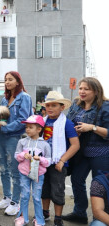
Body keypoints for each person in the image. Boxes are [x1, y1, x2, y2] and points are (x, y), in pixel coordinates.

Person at [62, 77, 109, 224]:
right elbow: (68, 123)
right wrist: (74, 131)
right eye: (81, 88)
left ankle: (100, 217)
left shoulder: (105, 107)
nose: (82, 91)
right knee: (76, 179)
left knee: (99, 184)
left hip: (101, 153)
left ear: (96, 91)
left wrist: (92, 128)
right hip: (81, 152)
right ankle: (80, 213)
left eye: (86, 89)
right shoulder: (76, 105)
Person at [0, 71, 33, 216]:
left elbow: (24, 120)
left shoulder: (24, 97)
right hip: (1, 137)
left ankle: (15, 202)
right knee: (3, 168)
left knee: (15, 171)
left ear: (18, 81)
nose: (7, 82)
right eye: (5, 80)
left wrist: (5, 127)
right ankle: (7, 196)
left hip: (15, 138)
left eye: (10, 79)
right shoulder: (5, 99)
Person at [41, 91, 80, 226]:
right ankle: (45, 212)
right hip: (43, 162)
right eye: (48, 105)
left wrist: (62, 160)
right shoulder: (42, 122)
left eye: (54, 105)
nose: (50, 108)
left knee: (57, 190)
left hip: (58, 163)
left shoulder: (66, 124)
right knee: (44, 189)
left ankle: (58, 217)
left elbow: (75, 145)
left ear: (62, 107)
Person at [14, 115, 51, 226]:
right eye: (27, 127)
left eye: (31, 127)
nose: (27, 129)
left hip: (38, 174)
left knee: (36, 197)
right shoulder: (22, 142)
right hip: (24, 173)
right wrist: (23, 155)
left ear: (39, 129)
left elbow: (49, 161)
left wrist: (40, 159)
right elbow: (16, 155)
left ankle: (39, 220)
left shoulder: (45, 144)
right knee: (24, 195)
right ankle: (22, 218)